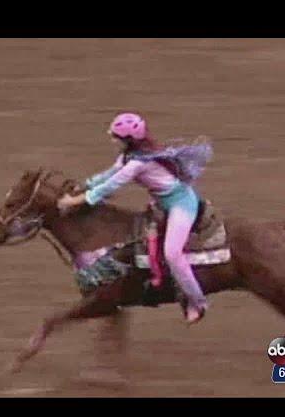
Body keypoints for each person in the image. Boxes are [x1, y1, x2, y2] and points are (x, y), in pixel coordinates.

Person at [57, 112, 213, 324]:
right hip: (163, 204)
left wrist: (73, 201)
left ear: (127, 140)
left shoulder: (137, 164)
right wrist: (84, 185)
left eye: (116, 137)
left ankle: (198, 302)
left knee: (172, 254)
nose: (112, 140)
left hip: (181, 205)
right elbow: (108, 175)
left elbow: (110, 186)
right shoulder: (130, 157)